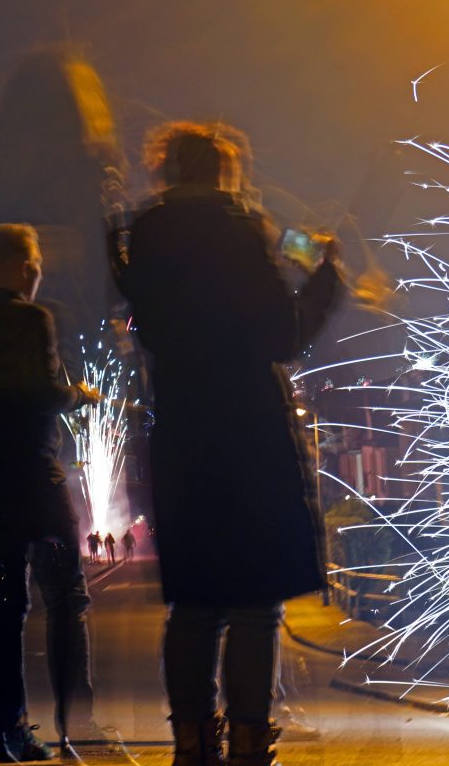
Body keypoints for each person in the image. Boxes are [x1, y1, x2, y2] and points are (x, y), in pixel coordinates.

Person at [111, 122, 340, 766]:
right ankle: (246, 741)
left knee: (195, 605)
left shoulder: (143, 239)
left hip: (183, 436)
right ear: (223, 172)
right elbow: (280, 336)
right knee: (252, 604)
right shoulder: (242, 231)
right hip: (247, 436)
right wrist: (322, 283)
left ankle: (191, 742)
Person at [0, 223, 120, 762]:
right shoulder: (31, 318)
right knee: (68, 597)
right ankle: (76, 722)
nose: (41, 273)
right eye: (37, 263)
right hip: (35, 483)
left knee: (5, 607)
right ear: (22, 267)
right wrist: (77, 394)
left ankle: (8, 731)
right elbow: (43, 392)